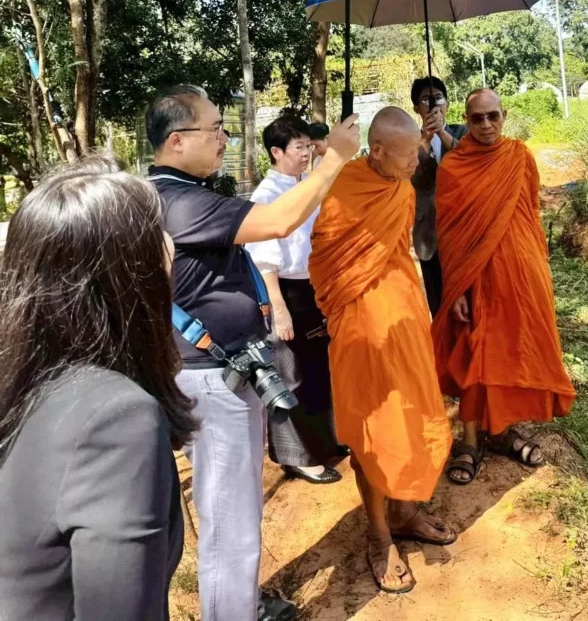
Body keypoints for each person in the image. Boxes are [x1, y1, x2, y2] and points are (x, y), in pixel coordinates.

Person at [145, 86, 359, 621]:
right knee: (230, 520)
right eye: (215, 128)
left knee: (233, 511)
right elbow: (276, 221)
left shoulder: (176, 192)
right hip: (212, 379)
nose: (225, 137)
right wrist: (334, 158)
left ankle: (238, 601)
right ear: (176, 140)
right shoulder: (177, 200)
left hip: (223, 373)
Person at [0, 155, 197, 621]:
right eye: (156, 237)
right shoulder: (117, 417)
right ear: (128, 275)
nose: (170, 250)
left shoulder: (24, 382)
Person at [309, 107, 454, 595]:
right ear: (377, 152)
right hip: (361, 331)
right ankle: (379, 536)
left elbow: (401, 252)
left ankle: (405, 509)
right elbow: (328, 262)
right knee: (372, 429)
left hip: (406, 320)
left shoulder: (404, 185)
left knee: (412, 413)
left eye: (418, 149)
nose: (417, 160)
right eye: (407, 153)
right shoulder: (344, 190)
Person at [432, 88, 576, 485]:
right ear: (466, 118)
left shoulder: (519, 156)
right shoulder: (453, 167)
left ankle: (500, 430)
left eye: (492, 116)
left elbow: (529, 210)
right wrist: (458, 287)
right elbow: (449, 233)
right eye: (476, 118)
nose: (485, 125)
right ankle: (469, 440)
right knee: (478, 352)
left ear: (504, 115)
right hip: (476, 277)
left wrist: (536, 269)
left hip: (521, 273)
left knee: (511, 351)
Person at [246, 115, 344, 484]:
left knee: (319, 368)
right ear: (276, 152)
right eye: (299, 147)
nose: (306, 153)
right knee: (291, 375)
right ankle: (296, 456)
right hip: (285, 291)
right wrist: (280, 310)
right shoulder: (266, 197)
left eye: (308, 146)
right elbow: (265, 259)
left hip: (314, 287)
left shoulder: (306, 187)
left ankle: (323, 442)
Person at [410, 76, 467, 317]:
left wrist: (442, 132)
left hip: (463, 228)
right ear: (416, 108)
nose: (432, 105)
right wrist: (425, 138)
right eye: (425, 100)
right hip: (429, 234)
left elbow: (468, 160)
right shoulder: (410, 140)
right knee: (439, 302)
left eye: (438, 98)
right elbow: (410, 173)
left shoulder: (463, 132)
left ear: (448, 104)